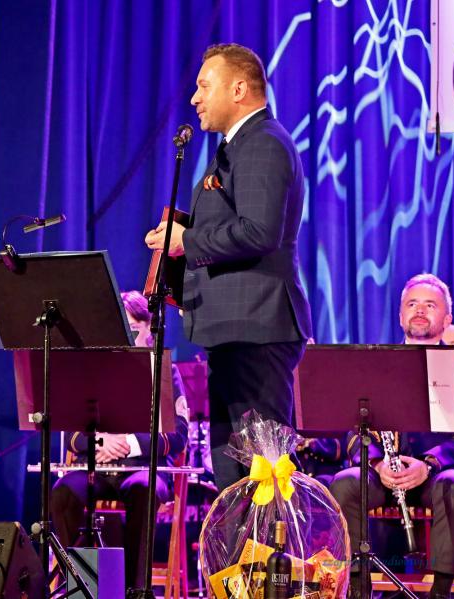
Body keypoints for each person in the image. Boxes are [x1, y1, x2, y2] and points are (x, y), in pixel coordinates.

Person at [144, 43, 312, 490]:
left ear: (238, 89)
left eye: (204, 86)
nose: (195, 97)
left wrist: (186, 241)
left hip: (258, 329)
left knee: (264, 478)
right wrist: (179, 241)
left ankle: (274, 542)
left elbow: (259, 231)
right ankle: (244, 543)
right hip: (236, 331)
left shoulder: (263, 143)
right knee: (235, 479)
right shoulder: (237, 147)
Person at [329, 274, 454, 599]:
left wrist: (429, 464)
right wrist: (377, 463)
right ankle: (358, 587)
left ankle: (441, 592)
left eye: (430, 305)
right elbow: (353, 430)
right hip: (383, 473)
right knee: (345, 483)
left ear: (447, 319)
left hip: (437, 475)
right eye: (412, 304)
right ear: (400, 315)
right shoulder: (375, 364)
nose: (419, 310)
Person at [50, 290, 190, 589]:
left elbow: (178, 435)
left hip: (144, 468)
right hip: (97, 467)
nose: (126, 338)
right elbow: (71, 434)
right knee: (62, 493)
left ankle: (133, 591)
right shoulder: (93, 368)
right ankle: (80, 587)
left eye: (133, 330)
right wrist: (100, 442)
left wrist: (128, 443)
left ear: (149, 330)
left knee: (143, 489)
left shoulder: (165, 369)